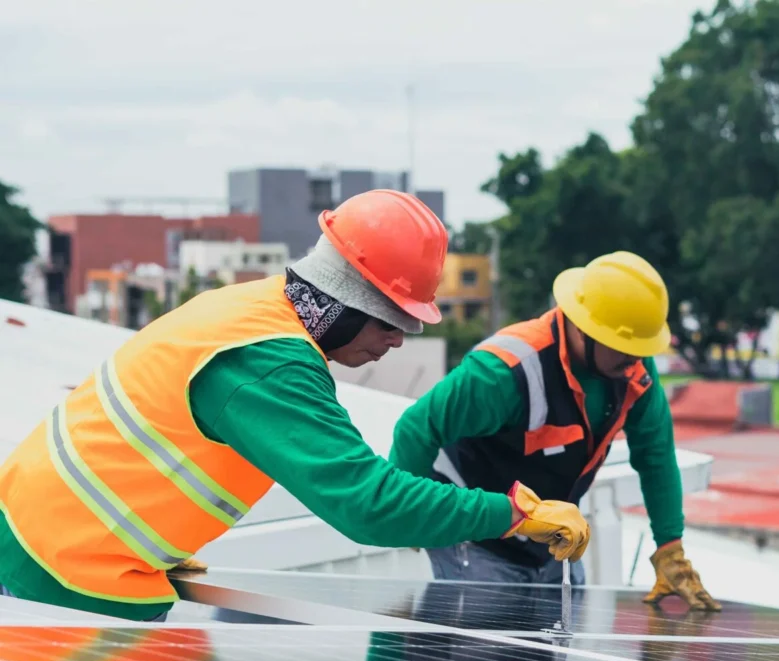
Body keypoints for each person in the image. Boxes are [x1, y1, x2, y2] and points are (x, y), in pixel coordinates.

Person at [0, 190, 590, 622]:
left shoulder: (254, 307)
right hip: (66, 566)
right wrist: (513, 513)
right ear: (350, 300)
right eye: (394, 319)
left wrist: (160, 543)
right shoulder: (271, 364)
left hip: (44, 530)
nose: (398, 340)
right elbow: (366, 504)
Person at [389, 250, 719, 610]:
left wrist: (670, 548)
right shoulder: (504, 371)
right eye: (625, 347)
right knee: (487, 653)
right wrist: (409, 516)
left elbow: (655, 456)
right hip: (477, 538)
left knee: (552, 655)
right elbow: (417, 428)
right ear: (583, 328)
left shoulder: (633, 373)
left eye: (640, 349)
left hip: (553, 540)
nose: (635, 360)